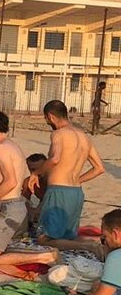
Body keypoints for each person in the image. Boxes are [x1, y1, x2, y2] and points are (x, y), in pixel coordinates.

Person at [0, 110, 58, 277]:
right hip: (14, 205)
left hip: (8, 208)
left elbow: (10, 182)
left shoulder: (2, 148)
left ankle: (44, 257)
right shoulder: (11, 145)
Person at [28, 100, 105, 245]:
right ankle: (98, 242)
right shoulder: (83, 136)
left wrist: (36, 173)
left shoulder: (59, 134)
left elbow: (55, 159)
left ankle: (91, 247)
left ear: (50, 116)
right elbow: (99, 168)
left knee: (45, 239)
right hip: (76, 191)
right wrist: (77, 179)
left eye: (46, 119)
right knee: (68, 236)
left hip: (58, 191)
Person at [61, 209, 121, 295]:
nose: (104, 243)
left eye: (104, 238)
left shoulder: (116, 256)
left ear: (115, 234)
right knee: (98, 285)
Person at [23, 152, 48, 233]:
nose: (37, 172)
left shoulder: (52, 180)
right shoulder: (28, 181)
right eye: (33, 170)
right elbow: (24, 200)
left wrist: (38, 209)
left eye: (40, 168)